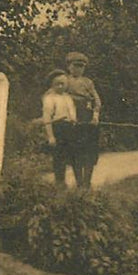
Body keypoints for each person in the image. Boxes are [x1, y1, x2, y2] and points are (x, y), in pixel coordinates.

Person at [64, 51, 102, 189]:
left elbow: (96, 100)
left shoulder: (88, 82)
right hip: (71, 117)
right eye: (75, 66)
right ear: (69, 66)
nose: (78, 69)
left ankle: (87, 182)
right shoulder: (64, 81)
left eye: (81, 67)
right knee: (75, 151)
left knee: (90, 150)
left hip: (87, 116)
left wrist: (95, 115)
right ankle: (79, 182)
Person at [42, 69, 77, 187]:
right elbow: (47, 118)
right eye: (58, 84)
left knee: (70, 156)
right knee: (59, 157)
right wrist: (51, 136)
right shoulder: (49, 98)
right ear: (52, 84)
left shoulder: (67, 97)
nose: (61, 86)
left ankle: (76, 182)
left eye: (64, 83)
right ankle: (59, 182)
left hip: (69, 128)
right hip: (58, 128)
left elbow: (72, 110)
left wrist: (73, 119)